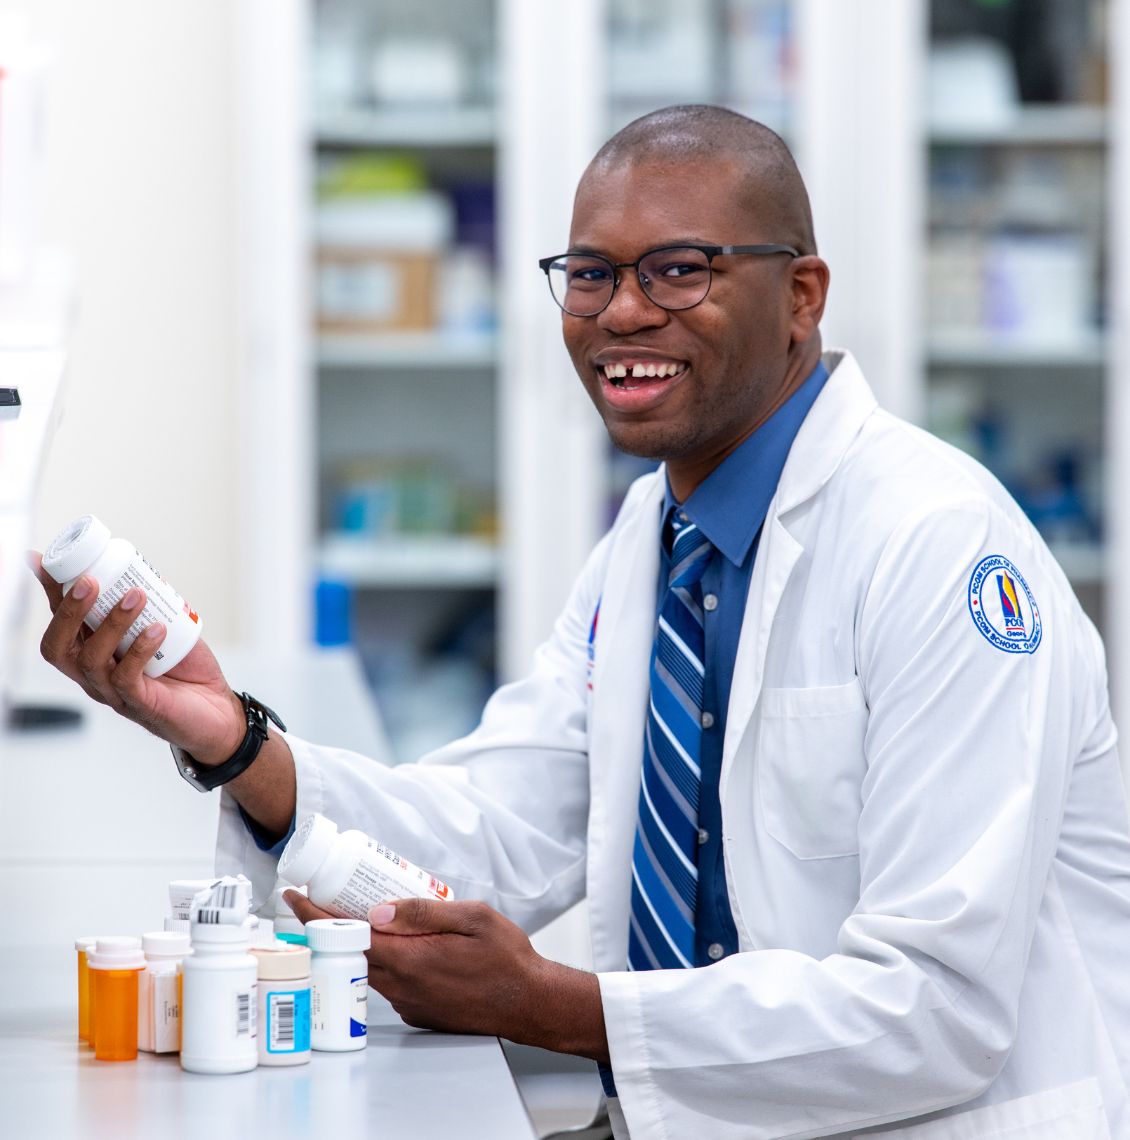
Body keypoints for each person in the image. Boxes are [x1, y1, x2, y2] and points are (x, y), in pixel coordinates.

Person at [33, 105, 1130, 1139]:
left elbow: (934, 1011)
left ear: (801, 295)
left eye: (678, 269)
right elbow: (504, 829)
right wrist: (231, 738)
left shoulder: (938, 548)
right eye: (591, 274)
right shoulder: (653, 538)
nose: (620, 312)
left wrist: (562, 1007)